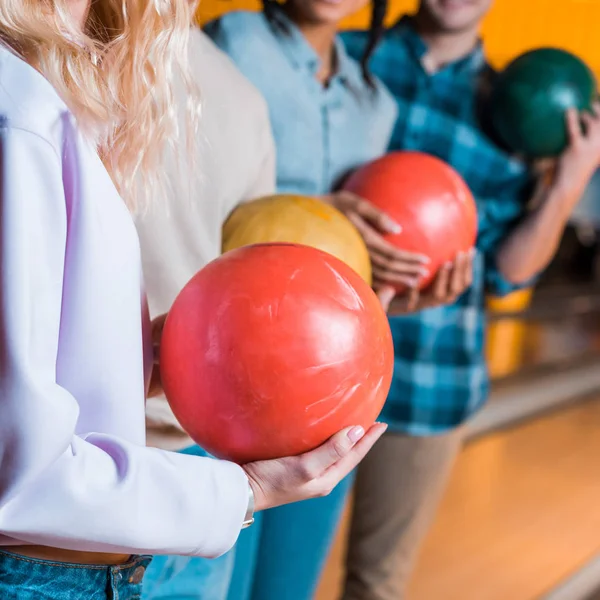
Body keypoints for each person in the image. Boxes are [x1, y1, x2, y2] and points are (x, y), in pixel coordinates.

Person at [0, 1, 388, 598]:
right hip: (39, 574)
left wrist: (146, 361)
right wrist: (248, 490)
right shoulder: (22, 117)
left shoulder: (48, 103)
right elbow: (18, 477)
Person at [204, 0, 474, 597]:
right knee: (217, 580)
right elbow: (193, 203)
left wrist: (396, 292)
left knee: (288, 585)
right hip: (231, 366)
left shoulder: (372, 102)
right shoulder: (230, 42)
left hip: (331, 384)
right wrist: (318, 208)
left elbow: (355, 250)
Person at [338, 1, 600, 598]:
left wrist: (570, 180)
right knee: (272, 583)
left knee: (375, 584)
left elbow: (507, 275)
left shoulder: (519, 107)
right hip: (315, 360)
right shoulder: (350, 56)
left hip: (431, 379)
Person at [136, 26, 276, 600]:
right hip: (196, 453)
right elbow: (261, 293)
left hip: (83, 455)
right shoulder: (242, 93)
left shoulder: (39, 58)